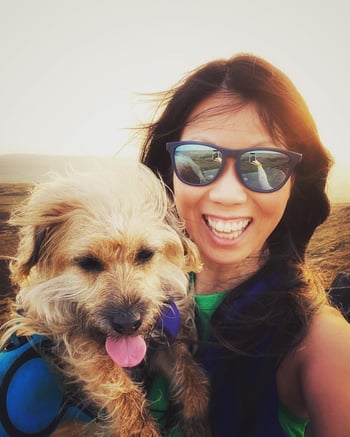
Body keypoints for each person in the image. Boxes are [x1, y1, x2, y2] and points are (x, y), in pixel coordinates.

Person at [139, 53, 350, 436]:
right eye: (200, 161)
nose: (228, 194)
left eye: (265, 165)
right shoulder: (125, 298)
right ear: (168, 171)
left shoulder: (321, 345)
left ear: (293, 183)